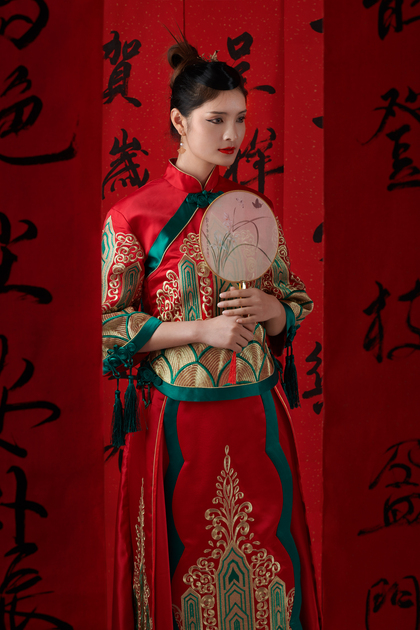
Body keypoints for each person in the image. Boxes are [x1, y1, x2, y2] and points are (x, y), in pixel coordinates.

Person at [102, 34, 320, 630]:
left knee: (270, 562)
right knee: (184, 568)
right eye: (216, 119)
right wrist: (203, 329)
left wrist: (270, 310)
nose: (232, 135)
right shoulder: (133, 216)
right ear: (179, 122)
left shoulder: (252, 208)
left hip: (257, 414)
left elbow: (294, 301)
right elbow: (108, 327)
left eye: (240, 119)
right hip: (179, 420)